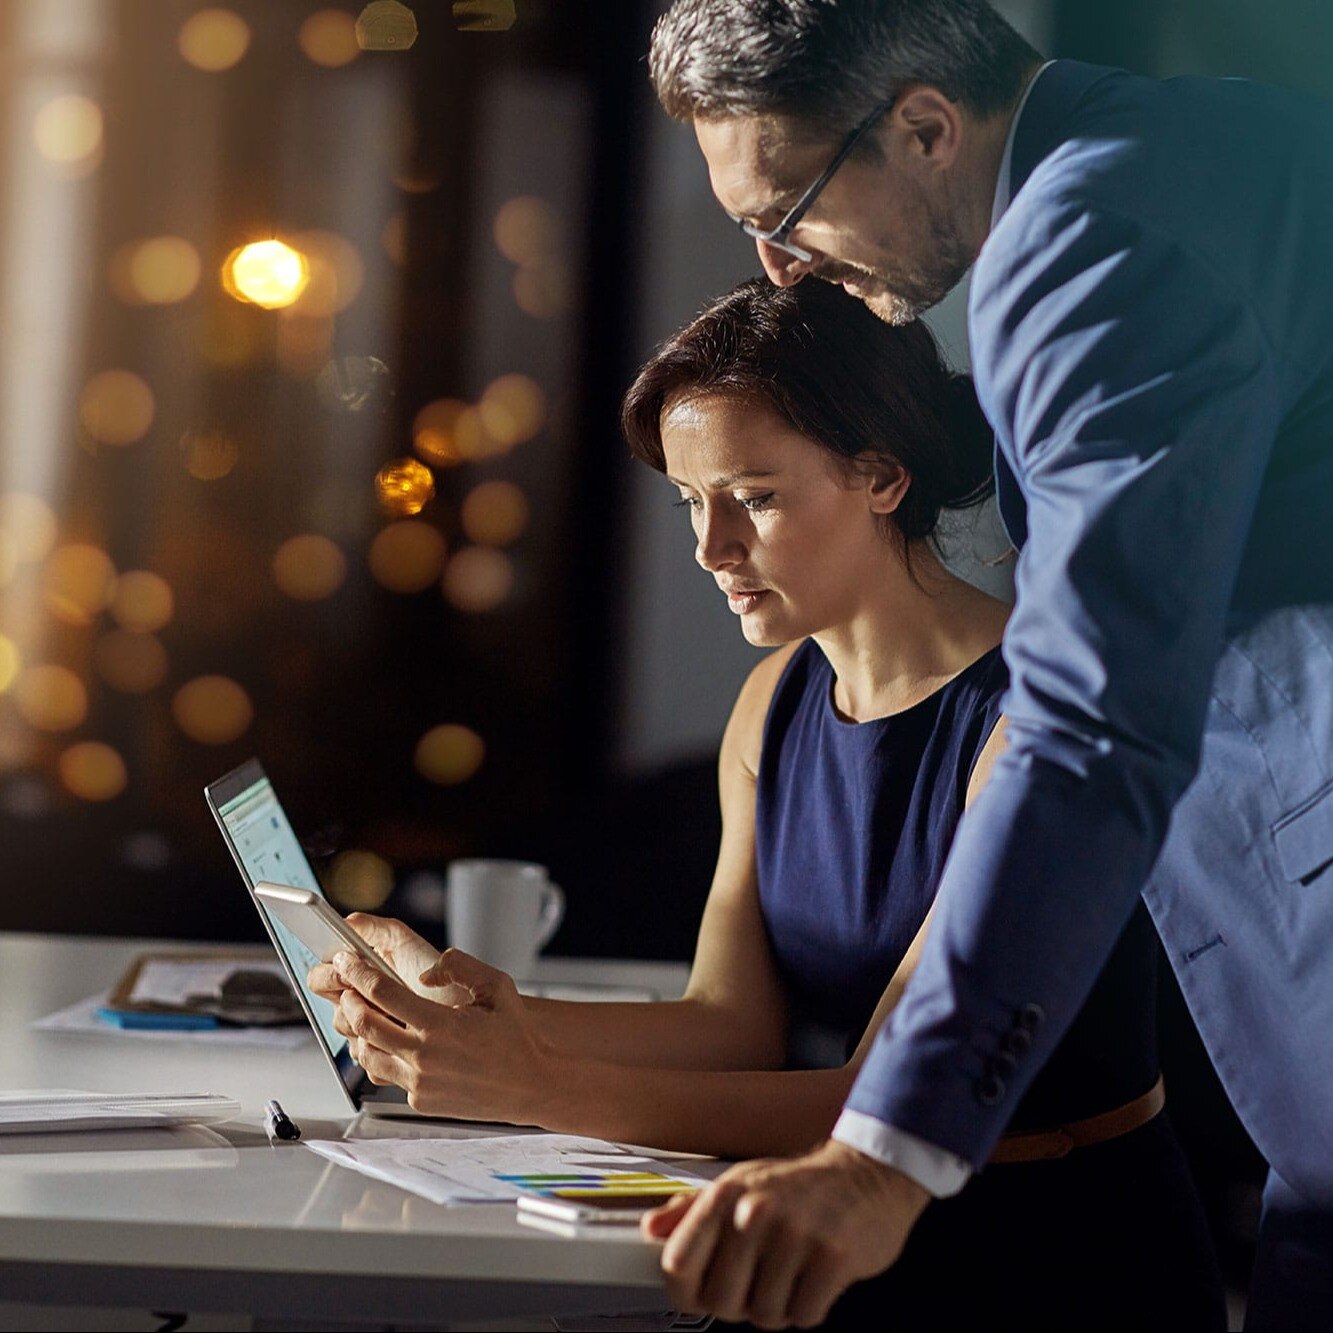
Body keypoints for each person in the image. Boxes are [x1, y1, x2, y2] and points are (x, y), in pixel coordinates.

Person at [313, 277, 1224, 1329]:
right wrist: (479, 1021)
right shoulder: (775, 698)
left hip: (1047, 1256)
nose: (712, 549)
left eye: (753, 496)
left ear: (881, 474)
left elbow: (874, 1105)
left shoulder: (1033, 719)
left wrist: (529, 1081)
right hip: (818, 1234)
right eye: (691, 502)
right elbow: (729, 1023)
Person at [642, 1, 1333, 1328]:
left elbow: (1087, 727)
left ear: (922, 125)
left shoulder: (1085, 242)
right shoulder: (1219, 140)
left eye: (786, 208)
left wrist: (879, 1157)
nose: (779, 267)